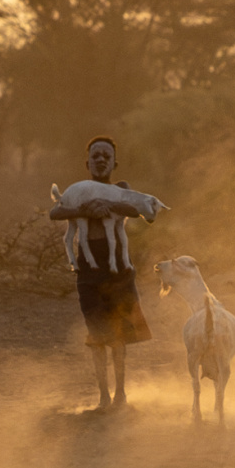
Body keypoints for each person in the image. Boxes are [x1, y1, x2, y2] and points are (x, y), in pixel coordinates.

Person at [49, 136, 155, 412]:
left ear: (115, 163)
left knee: (118, 334)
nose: (100, 160)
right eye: (95, 155)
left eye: (106, 156)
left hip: (118, 267)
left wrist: (106, 205)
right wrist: (84, 209)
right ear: (87, 163)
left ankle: (120, 395)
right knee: (96, 335)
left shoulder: (121, 189)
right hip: (88, 267)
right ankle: (103, 398)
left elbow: (135, 209)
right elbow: (54, 213)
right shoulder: (79, 193)